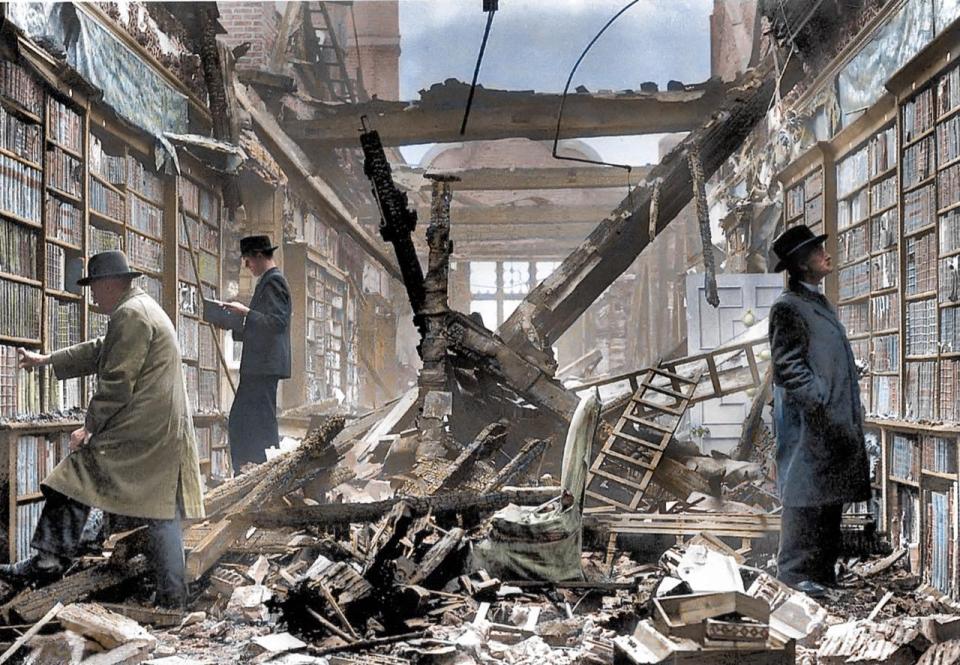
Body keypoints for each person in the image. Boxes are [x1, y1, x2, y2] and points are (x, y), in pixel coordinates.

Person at [0, 251, 205, 607]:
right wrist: (47, 359)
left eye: (94, 287)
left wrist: (89, 427)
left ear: (110, 284)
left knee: (72, 476)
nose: (93, 296)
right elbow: (101, 350)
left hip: (143, 431)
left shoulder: (130, 314)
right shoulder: (138, 309)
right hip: (158, 430)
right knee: (160, 513)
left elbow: (116, 382)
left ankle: (48, 561)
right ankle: (174, 599)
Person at [767, 225, 871, 598]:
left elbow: (819, 355)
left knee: (828, 498)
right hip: (810, 425)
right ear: (800, 264)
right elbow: (788, 367)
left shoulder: (817, 302)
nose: (826, 254)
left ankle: (822, 575)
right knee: (803, 499)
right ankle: (794, 577)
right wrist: (820, 400)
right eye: (816, 251)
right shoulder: (786, 307)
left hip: (831, 420)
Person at [221, 235, 291, 471]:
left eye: (247, 260)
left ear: (259, 256)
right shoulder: (268, 281)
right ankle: (250, 470)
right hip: (260, 366)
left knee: (254, 423)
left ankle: (259, 471)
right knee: (248, 422)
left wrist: (246, 313)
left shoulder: (274, 281)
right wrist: (233, 322)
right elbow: (264, 326)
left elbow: (277, 323)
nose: (246, 266)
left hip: (263, 367)